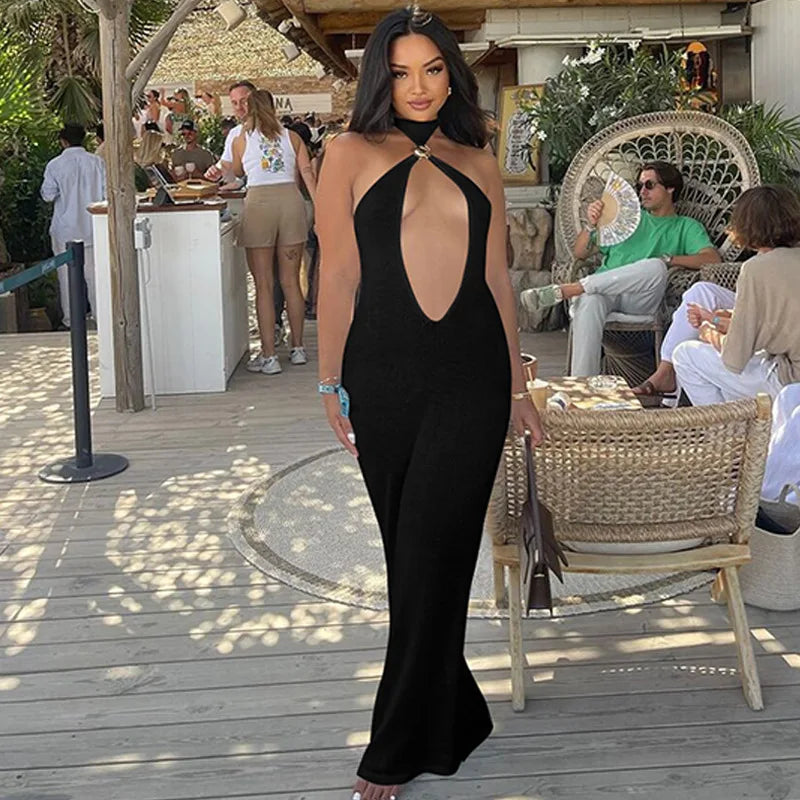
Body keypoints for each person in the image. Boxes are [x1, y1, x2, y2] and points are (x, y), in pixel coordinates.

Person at [315, 8, 543, 799]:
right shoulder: (347, 153)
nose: (418, 86)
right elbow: (338, 274)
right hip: (381, 379)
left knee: (429, 554)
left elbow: (497, 280)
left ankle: (393, 750)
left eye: (433, 69)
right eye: (401, 71)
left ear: (452, 74)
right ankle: (456, 712)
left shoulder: (478, 159)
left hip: (470, 378)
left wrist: (517, 385)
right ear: (381, 78)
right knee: (412, 559)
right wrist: (328, 380)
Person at [521, 161, 721, 376]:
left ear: (671, 188)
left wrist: (670, 259)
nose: (642, 192)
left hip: (640, 299)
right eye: (640, 186)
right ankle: (583, 385)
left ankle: (571, 289)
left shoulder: (685, 226)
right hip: (604, 292)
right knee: (589, 300)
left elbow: (712, 259)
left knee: (656, 266)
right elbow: (580, 254)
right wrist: (591, 224)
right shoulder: (625, 218)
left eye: (650, 185)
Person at [671, 184, 800, 405]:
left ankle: (725, 426)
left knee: (685, 355)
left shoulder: (756, 269)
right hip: (788, 367)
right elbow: (779, 325)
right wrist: (717, 319)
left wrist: (706, 332)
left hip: (790, 381)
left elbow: (735, 356)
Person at [232, 89, 317, 374]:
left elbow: (236, 171)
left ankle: (269, 356)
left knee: (264, 284)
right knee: (291, 282)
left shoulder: (242, 138)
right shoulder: (293, 137)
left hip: (259, 205)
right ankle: (298, 348)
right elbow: (307, 174)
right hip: (291, 203)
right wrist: (321, 208)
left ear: (249, 109)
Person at [40, 124, 106, 329]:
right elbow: (106, 193)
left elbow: (48, 195)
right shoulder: (97, 162)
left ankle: (71, 320)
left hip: (65, 229)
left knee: (66, 276)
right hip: (92, 227)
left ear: (63, 141)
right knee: (94, 275)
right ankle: (100, 317)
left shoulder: (55, 165)